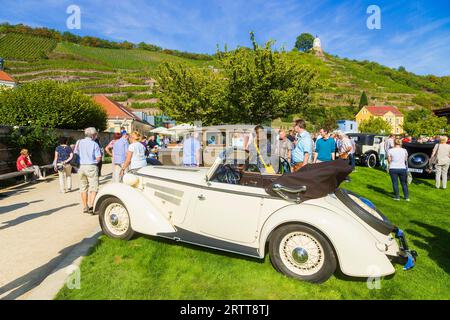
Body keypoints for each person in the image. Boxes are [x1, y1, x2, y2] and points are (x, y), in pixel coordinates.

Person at [75, 128, 102, 214]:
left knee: (83, 187)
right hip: (91, 166)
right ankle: (91, 205)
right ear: (93, 135)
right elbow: (98, 158)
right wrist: (94, 161)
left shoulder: (79, 142)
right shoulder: (94, 144)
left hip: (81, 167)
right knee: (93, 187)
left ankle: (84, 206)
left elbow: (76, 153)